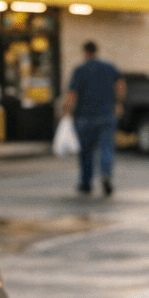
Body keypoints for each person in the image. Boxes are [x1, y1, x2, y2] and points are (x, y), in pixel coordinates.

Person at [61, 40, 125, 195]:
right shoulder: (109, 67)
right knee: (106, 148)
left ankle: (86, 183)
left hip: (85, 116)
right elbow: (121, 84)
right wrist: (119, 102)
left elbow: (72, 93)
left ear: (85, 52)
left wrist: (66, 110)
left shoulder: (80, 70)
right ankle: (105, 175)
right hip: (106, 114)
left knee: (86, 151)